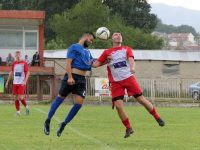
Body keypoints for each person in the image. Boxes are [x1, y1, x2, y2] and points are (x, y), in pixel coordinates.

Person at [92, 32, 165, 138]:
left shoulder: (126, 49)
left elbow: (131, 59)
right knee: (118, 106)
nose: (118, 36)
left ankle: (157, 117)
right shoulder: (107, 52)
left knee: (141, 100)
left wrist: (132, 67)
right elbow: (95, 64)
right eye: (116, 35)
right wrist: (104, 61)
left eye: (120, 35)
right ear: (112, 39)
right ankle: (128, 128)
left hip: (128, 78)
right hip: (116, 82)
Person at [44, 32, 96, 137]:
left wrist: (106, 60)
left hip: (82, 79)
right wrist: (70, 77)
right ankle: (47, 121)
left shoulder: (88, 52)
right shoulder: (74, 47)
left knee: (79, 104)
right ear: (85, 36)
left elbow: (94, 63)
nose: (91, 42)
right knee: (60, 98)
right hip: (72, 76)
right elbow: (68, 62)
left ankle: (63, 124)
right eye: (90, 40)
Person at [5, 51, 30, 116]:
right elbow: (11, 72)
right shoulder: (14, 63)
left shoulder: (24, 63)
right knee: (15, 98)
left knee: (20, 98)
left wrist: (25, 81)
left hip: (21, 83)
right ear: (15, 56)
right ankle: (18, 112)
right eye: (16, 55)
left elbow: (28, 73)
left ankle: (26, 106)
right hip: (15, 83)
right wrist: (7, 82)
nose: (18, 56)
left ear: (20, 55)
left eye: (19, 55)